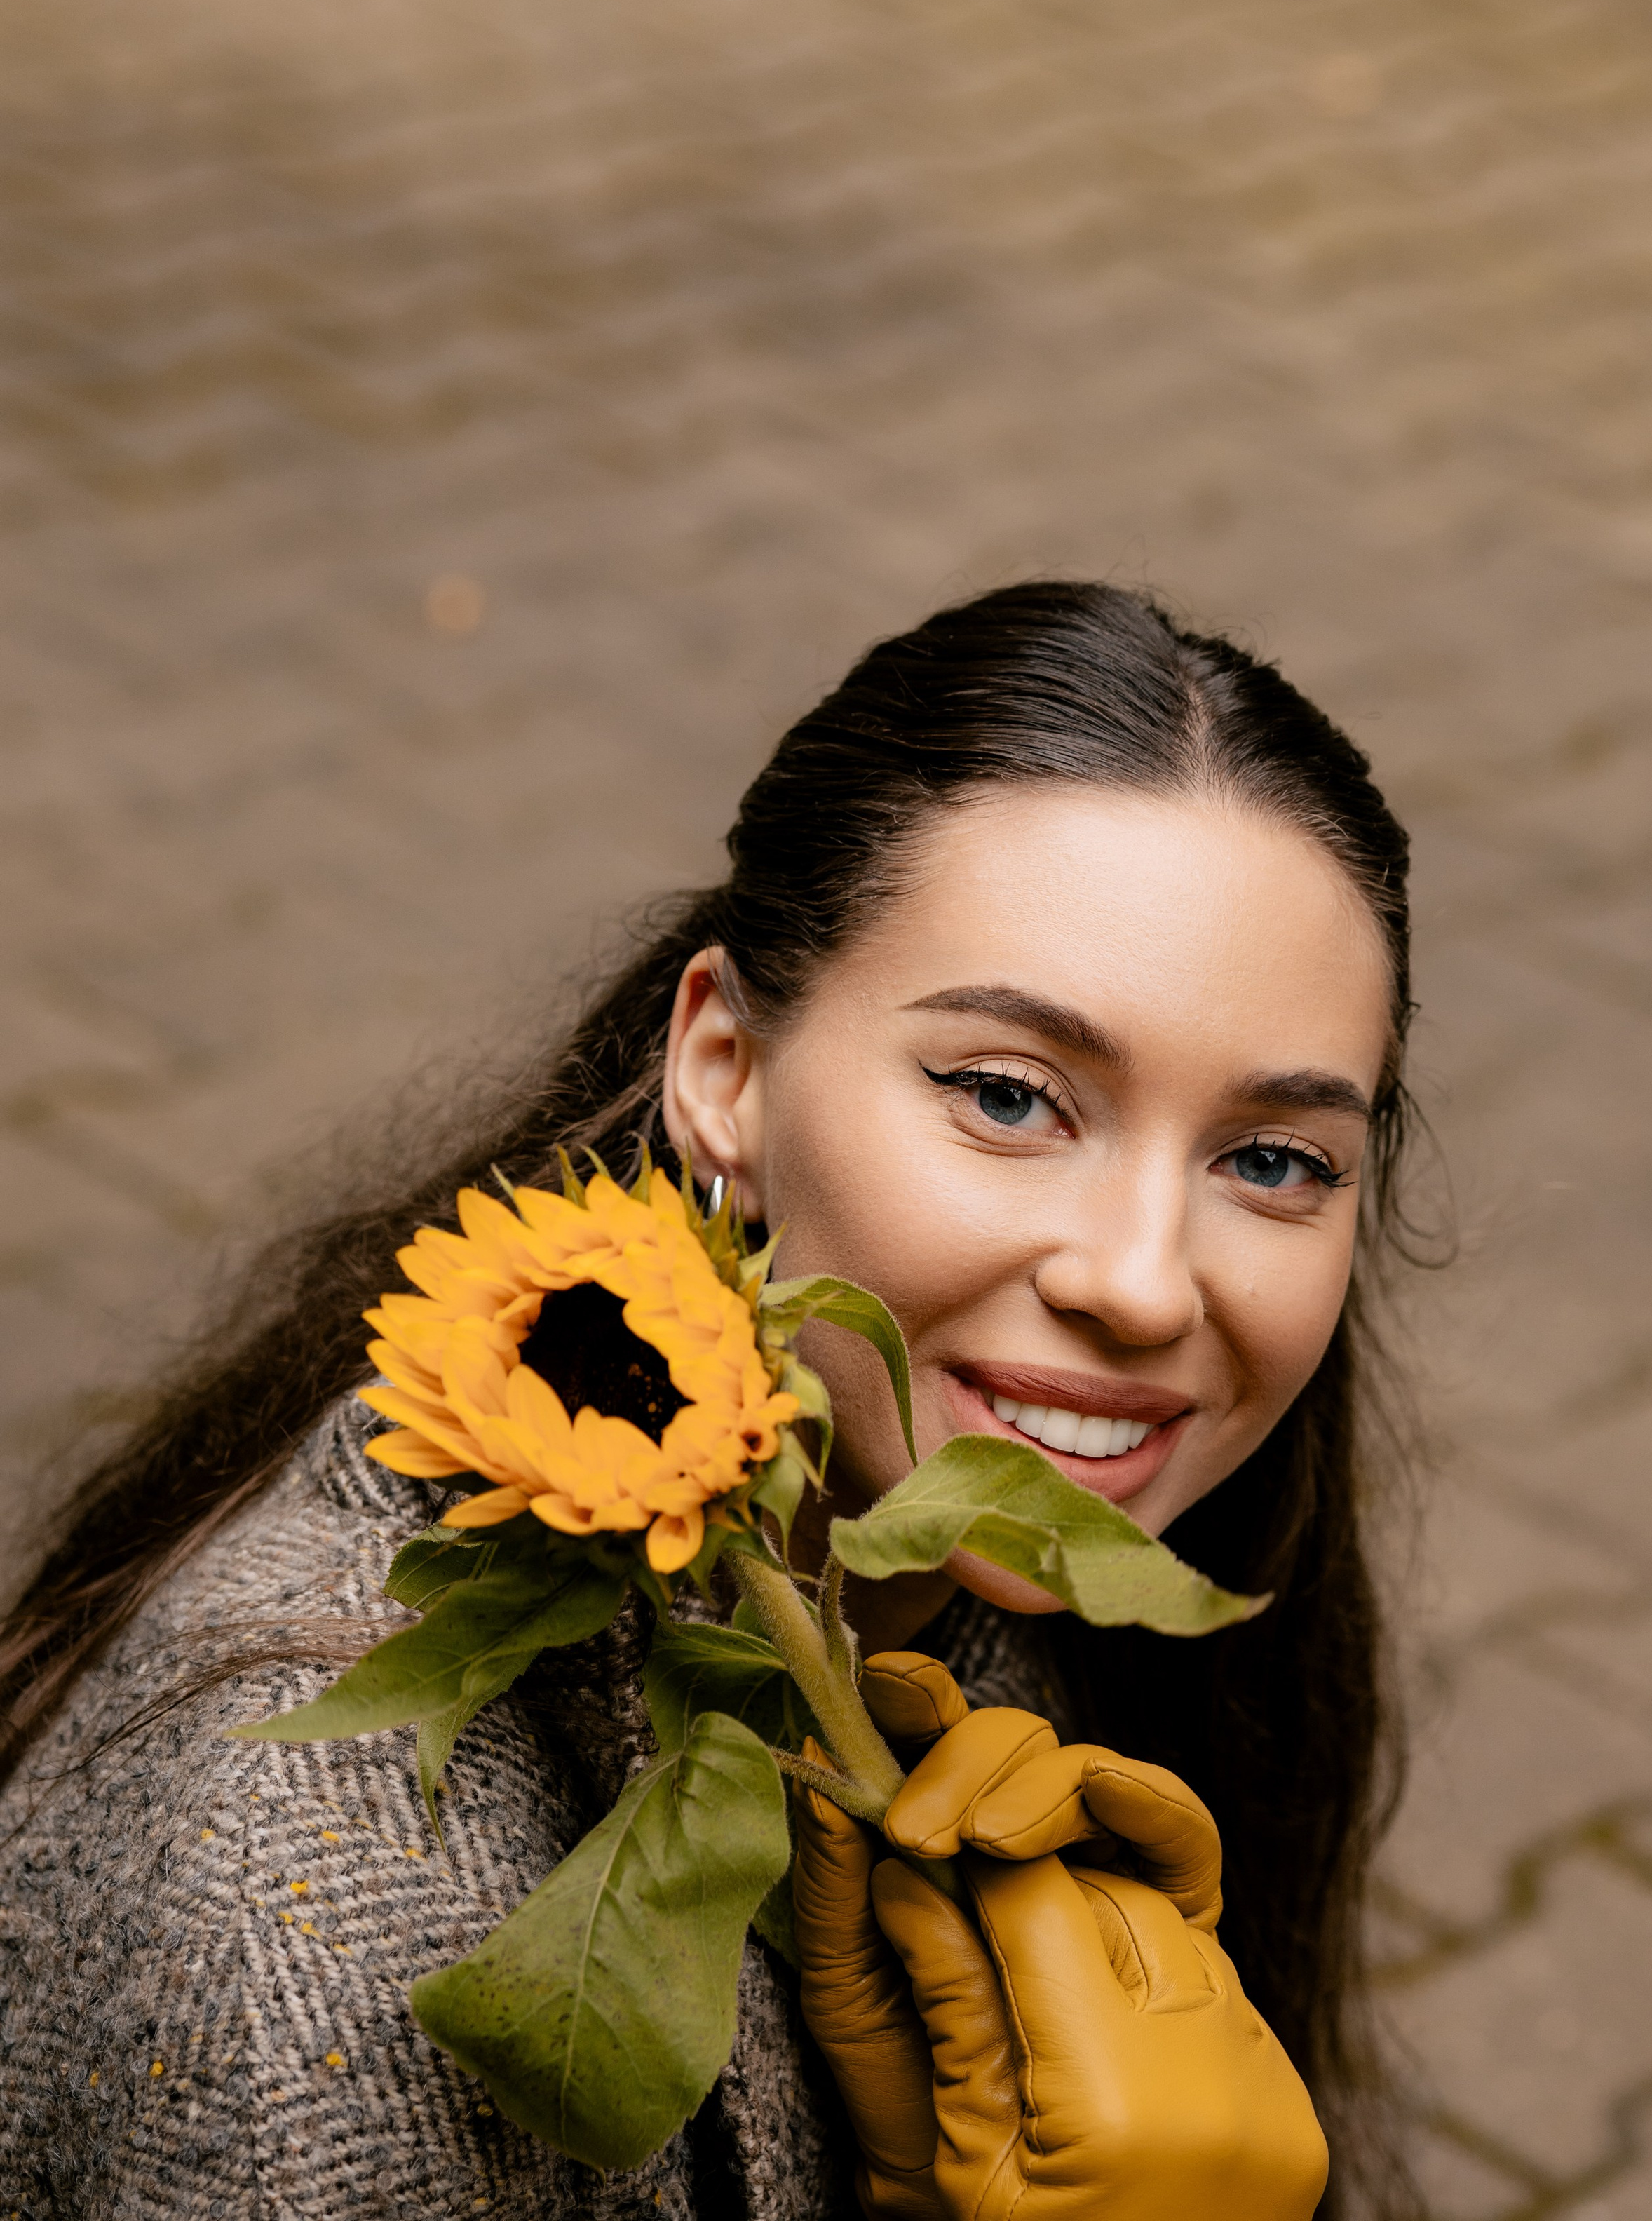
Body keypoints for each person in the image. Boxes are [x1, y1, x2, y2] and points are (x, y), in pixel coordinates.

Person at [0, 581, 1428, 2220]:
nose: (1144, 1282)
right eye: (1007, 1095)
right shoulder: (317, 1923)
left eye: (1271, 1162)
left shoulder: (1037, 1581)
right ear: (724, 1075)